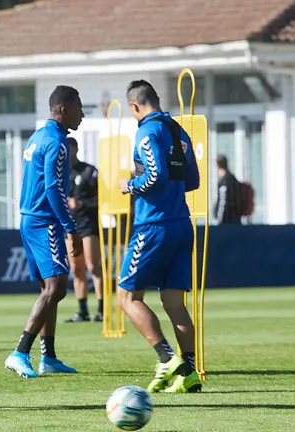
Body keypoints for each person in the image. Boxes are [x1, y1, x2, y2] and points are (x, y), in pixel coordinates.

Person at [117, 80, 202, 393]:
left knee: (126, 297)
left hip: (154, 225)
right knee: (173, 302)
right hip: (182, 223)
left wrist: (131, 185)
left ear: (135, 107)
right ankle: (189, 373)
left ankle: (167, 358)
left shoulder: (147, 132)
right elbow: (192, 179)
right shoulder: (179, 131)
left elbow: (155, 175)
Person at [5, 85, 84, 379]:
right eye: (79, 108)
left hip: (29, 218)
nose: (83, 115)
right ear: (64, 110)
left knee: (48, 289)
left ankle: (48, 356)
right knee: (56, 288)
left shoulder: (38, 136)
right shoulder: (57, 143)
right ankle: (20, 351)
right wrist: (70, 228)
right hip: (44, 221)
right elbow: (53, 188)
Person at [65, 137, 104, 323]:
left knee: (93, 266)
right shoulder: (60, 173)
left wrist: (81, 203)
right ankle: (82, 311)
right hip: (69, 227)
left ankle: (101, 309)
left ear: (76, 150)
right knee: (76, 268)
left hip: (88, 225)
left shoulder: (89, 171)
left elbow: (101, 199)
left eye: (70, 150)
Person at [214, 155, 243, 225]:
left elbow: (222, 202)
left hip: (227, 221)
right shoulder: (233, 178)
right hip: (236, 219)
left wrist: (219, 221)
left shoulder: (224, 182)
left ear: (218, 166)